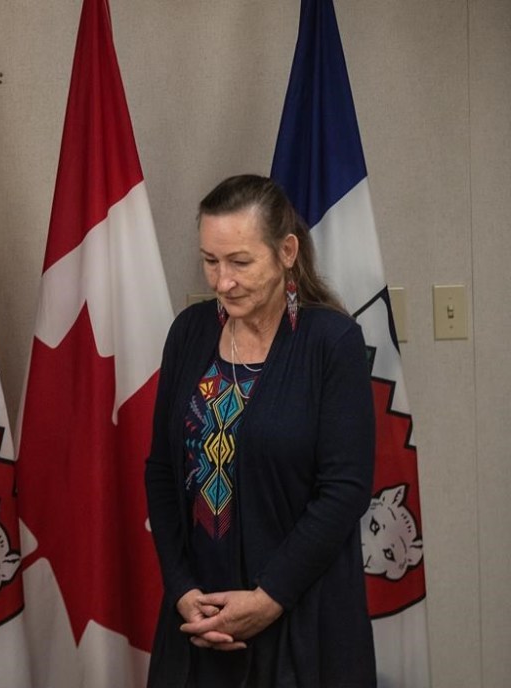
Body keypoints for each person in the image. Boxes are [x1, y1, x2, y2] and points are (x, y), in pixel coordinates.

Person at [144, 174, 376, 687]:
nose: (222, 281)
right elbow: (161, 470)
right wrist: (181, 588)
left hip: (301, 619)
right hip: (198, 620)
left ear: (286, 251)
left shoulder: (332, 342)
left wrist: (269, 598)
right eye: (210, 261)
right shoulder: (188, 333)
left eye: (240, 262)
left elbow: (345, 491)